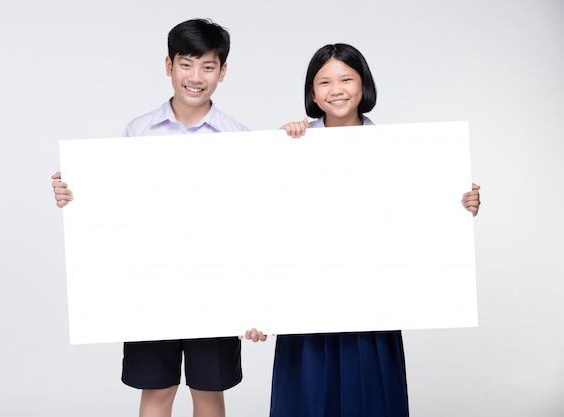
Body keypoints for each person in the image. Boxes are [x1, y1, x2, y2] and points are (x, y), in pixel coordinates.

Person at [245, 43, 481, 417]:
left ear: (363, 84)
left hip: (372, 305)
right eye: (324, 82)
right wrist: (261, 304)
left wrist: (458, 205)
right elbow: (266, 228)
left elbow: (417, 219)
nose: (335, 89)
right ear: (312, 93)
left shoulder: (397, 152)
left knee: (370, 401)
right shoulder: (291, 146)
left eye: (345, 79)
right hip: (307, 307)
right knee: (308, 402)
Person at [52, 19, 247, 417]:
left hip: (214, 285)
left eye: (208, 66)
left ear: (222, 72)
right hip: (151, 285)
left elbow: (250, 221)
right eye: (186, 64)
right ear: (168, 65)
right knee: (157, 391)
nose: (196, 77)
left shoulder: (238, 138)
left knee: (208, 393)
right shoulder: (138, 131)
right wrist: (74, 196)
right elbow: (113, 207)